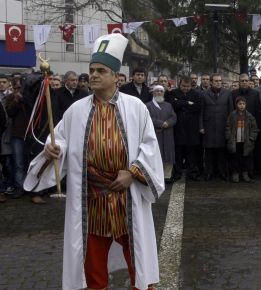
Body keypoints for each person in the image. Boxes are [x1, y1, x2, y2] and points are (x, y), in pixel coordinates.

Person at [24, 33, 164, 290]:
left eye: (101, 70)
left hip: (126, 194)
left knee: (137, 256)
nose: (94, 75)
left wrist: (132, 173)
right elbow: (62, 141)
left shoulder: (136, 107)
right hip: (92, 196)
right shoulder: (75, 110)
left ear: (115, 77)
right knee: (92, 260)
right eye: (91, 71)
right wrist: (53, 150)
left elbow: (150, 147)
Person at [167, 76, 202, 180]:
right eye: (183, 86)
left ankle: (192, 173)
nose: (185, 88)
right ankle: (177, 172)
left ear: (191, 86)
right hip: (178, 128)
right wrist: (187, 103)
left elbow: (198, 106)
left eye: (188, 86)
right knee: (178, 152)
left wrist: (180, 103)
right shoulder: (173, 93)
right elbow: (172, 104)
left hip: (191, 129)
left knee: (191, 153)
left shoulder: (196, 94)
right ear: (179, 84)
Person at [200, 74, 230, 181]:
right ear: (211, 82)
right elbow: (201, 112)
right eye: (216, 81)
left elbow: (231, 111)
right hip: (209, 127)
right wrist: (201, 126)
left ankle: (222, 172)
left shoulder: (227, 93)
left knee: (222, 152)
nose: (218, 82)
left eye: (220, 81)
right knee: (209, 152)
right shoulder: (203, 94)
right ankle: (208, 173)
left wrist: (230, 127)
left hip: (223, 127)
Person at [146, 85, 177, 182]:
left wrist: (168, 123)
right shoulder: (148, 105)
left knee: (168, 154)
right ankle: (156, 176)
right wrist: (160, 123)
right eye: (157, 91)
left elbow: (174, 117)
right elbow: (148, 118)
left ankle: (167, 176)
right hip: (155, 134)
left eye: (161, 91)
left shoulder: (168, 105)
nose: (159, 93)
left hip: (168, 133)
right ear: (153, 93)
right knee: (156, 154)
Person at [225, 97, 259, 183]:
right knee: (235, 158)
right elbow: (227, 127)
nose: (241, 106)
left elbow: (254, 129)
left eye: (243, 104)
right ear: (236, 105)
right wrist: (229, 137)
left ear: (246, 105)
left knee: (246, 158)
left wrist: (251, 138)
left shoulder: (249, 116)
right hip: (235, 141)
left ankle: (245, 173)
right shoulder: (232, 115)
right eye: (240, 104)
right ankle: (235, 174)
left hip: (246, 142)